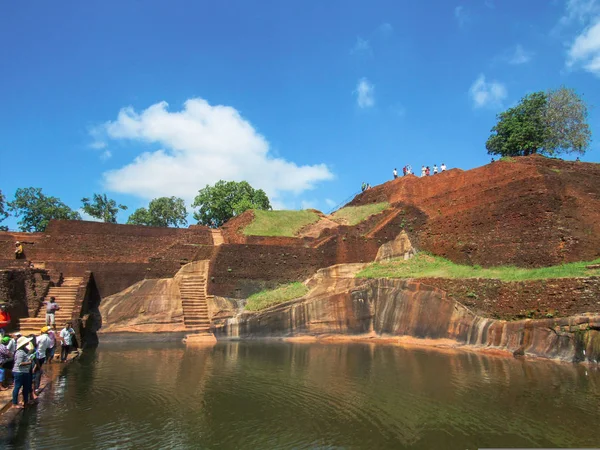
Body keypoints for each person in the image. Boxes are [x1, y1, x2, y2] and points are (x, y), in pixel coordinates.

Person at [12, 336, 33, 408]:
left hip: (25, 372)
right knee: (17, 387)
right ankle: (14, 403)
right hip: (19, 372)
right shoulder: (20, 352)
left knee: (26, 387)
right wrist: (29, 363)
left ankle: (25, 402)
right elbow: (19, 363)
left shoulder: (24, 350)